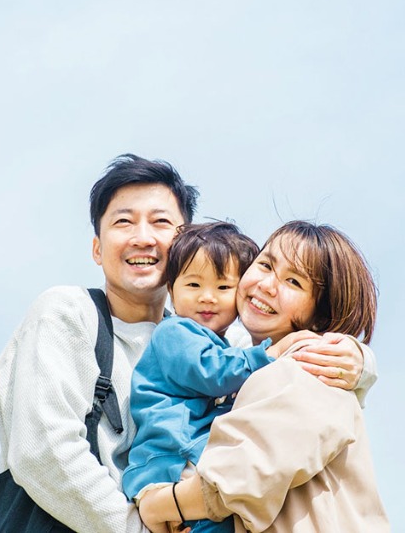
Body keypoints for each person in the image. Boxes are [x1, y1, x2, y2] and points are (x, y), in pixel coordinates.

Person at [0, 155, 370, 533]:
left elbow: (287, 361)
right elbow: (43, 452)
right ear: (97, 249)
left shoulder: (219, 337)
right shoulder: (69, 312)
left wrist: (358, 359)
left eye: (160, 222)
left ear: (183, 243)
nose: (142, 238)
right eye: (123, 222)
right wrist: (142, 526)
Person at [138, 221, 390, 533]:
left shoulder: (308, 366)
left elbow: (239, 476)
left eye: (294, 282)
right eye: (266, 265)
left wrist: (160, 505)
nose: (268, 285)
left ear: (321, 315)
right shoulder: (252, 364)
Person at [123, 222, 319, 533]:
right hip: (171, 461)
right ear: (171, 291)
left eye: (223, 288)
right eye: (193, 285)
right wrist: (268, 355)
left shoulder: (225, 346)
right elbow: (211, 372)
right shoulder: (175, 332)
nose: (207, 298)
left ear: (240, 293)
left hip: (187, 461)